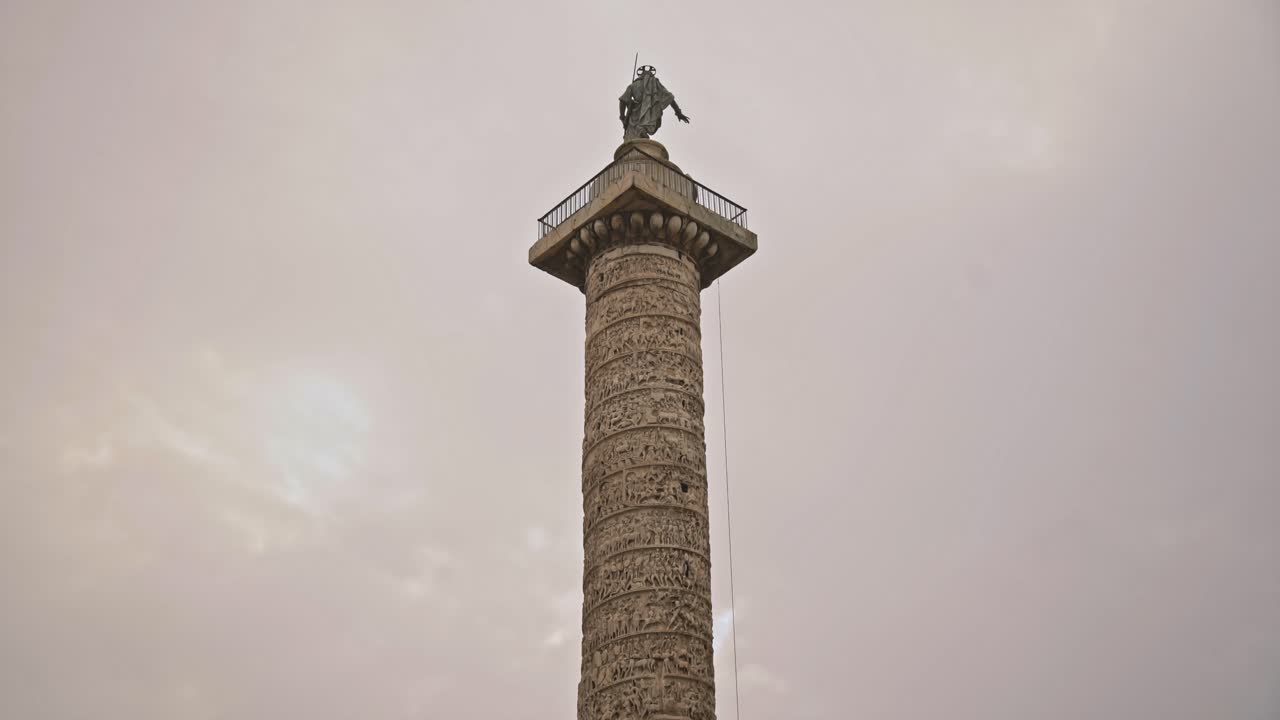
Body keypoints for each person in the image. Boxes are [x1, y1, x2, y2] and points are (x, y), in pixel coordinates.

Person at [619, 65, 690, 140]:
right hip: (648, 115)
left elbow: (622, 101)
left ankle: (641, 133)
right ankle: (642, 132)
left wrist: (623, 117)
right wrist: (678, 112)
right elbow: (669, 97)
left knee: (631, 139)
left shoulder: (632, 86)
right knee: (634, 140)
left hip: (634, 119)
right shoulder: (655, 83)